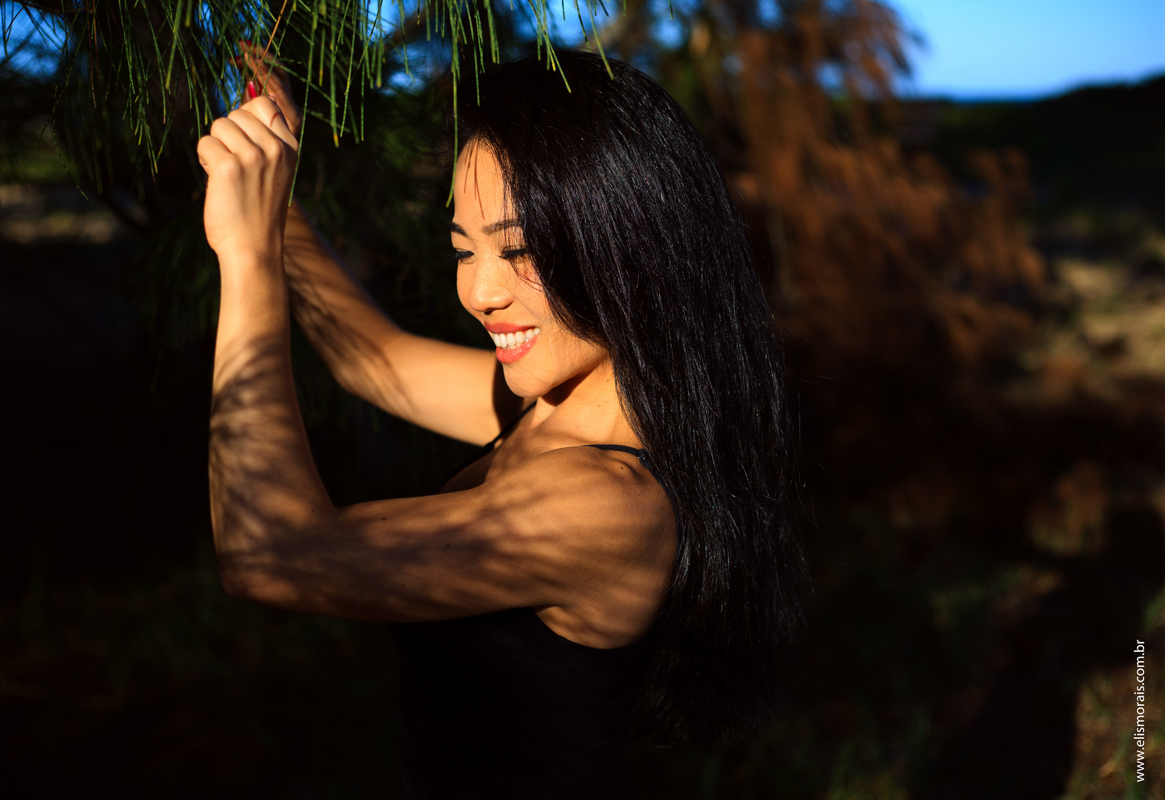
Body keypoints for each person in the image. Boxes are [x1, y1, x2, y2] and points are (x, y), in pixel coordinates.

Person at [199, 46, 809, 798]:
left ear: (626, 244)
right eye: (463, 249)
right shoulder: (556, 406)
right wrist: (272, 194)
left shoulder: (606, 501)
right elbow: (376, 362)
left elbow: (271, 556)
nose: (480, 292)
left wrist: (247, 254)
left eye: (519, 251)